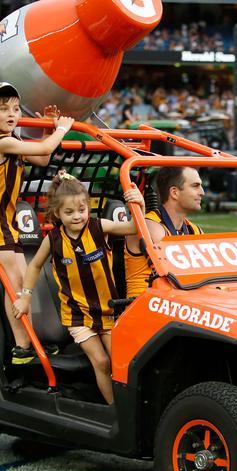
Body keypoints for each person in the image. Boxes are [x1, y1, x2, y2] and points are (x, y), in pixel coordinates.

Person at [13, 171, 145, 404]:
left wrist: (139, 204)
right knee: (102, 363)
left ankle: (130, 410)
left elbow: (134, 227)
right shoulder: (53, 239)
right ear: (57, 213)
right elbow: (33, 266)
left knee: (122, 362)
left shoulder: (98, 227)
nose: (77, 216)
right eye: (69, 212)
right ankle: (114, 410)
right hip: (78, 316)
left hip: (108, 312)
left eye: (81, 210)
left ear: (89, 208)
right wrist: (25, 297)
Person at [0, 81, 74, 365]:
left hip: (4, 222)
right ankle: (22, 346)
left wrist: (47, 128)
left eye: (15, 108)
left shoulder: (11, 142)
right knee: (15, 284)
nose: (12, 114)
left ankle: (28, 340)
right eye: (3, 109)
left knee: (23, 282)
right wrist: (62, 129)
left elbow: (43, 156)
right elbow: (45, 149)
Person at [125, 166, 204, 298]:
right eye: (195, 186)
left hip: (178, 303)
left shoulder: (195, 230)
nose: (202, 192)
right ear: (174, 192)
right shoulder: (151, 227)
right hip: (144, 307)